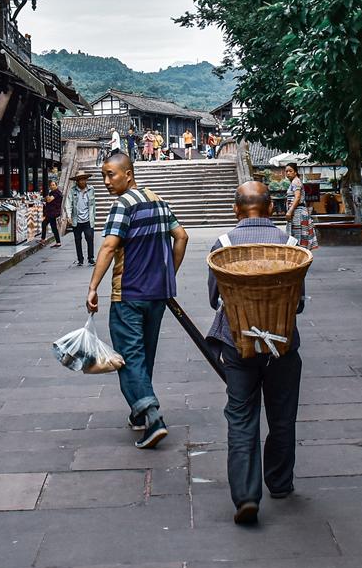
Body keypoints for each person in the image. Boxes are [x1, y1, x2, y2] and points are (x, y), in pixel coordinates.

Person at [208, 181, 304, 525]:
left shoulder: (223, 246)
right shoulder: (291, 246)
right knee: (282, 416)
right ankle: (279, 482)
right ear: (271, 209)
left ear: (236, 209)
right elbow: (300, 302)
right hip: (282, 344)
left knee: (241, 415)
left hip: (238, 344)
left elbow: (214, 299)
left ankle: (246, 496)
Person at [86, 151, 187, 449]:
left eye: (111, 174)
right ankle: (139, 412)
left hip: (127, 294)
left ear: (128, 174)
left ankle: (152, 417)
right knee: (145, 353)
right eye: (104, 175)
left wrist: (92, 287)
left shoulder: (122, 206)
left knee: (128, 357)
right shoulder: (158, 200)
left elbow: (108, 247)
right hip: (157, 295)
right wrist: (168, 275)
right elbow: (181, 237)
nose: (106, 181)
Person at [66, 170, 98, 265]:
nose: (82, 181)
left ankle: (91, 258)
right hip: (77, 220)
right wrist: (69, 216)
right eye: (80, 180)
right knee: (77, 240)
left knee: (90, 239)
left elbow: (93, 205)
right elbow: (68, 204)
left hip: (88, 219)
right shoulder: (72, 191)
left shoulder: (91, 189)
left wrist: (94, 216)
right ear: (77, 181)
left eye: (84, 179)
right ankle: (80, 259)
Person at [283, 164, 318, 251]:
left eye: (290, 171)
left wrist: (290, 211)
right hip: (297, 211)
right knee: (297, 235)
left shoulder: (296, 182)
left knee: (298, 236)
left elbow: (297, 197)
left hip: (298, 212)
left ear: (295, 172)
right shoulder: (294, 182)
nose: (288, 173)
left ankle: (300, 255)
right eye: (286, 171)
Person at [41, 183, 65, 248]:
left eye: (53, 185)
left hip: (53, 212)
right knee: (52, 227)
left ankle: (43, 239)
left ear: (56, 186)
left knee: (46, 224)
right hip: (51, 212)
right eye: (51, 185)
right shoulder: (52, 192)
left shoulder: (56, 192)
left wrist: (46, 197)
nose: (51, 186)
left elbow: (49, 200)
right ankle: (57, 242)